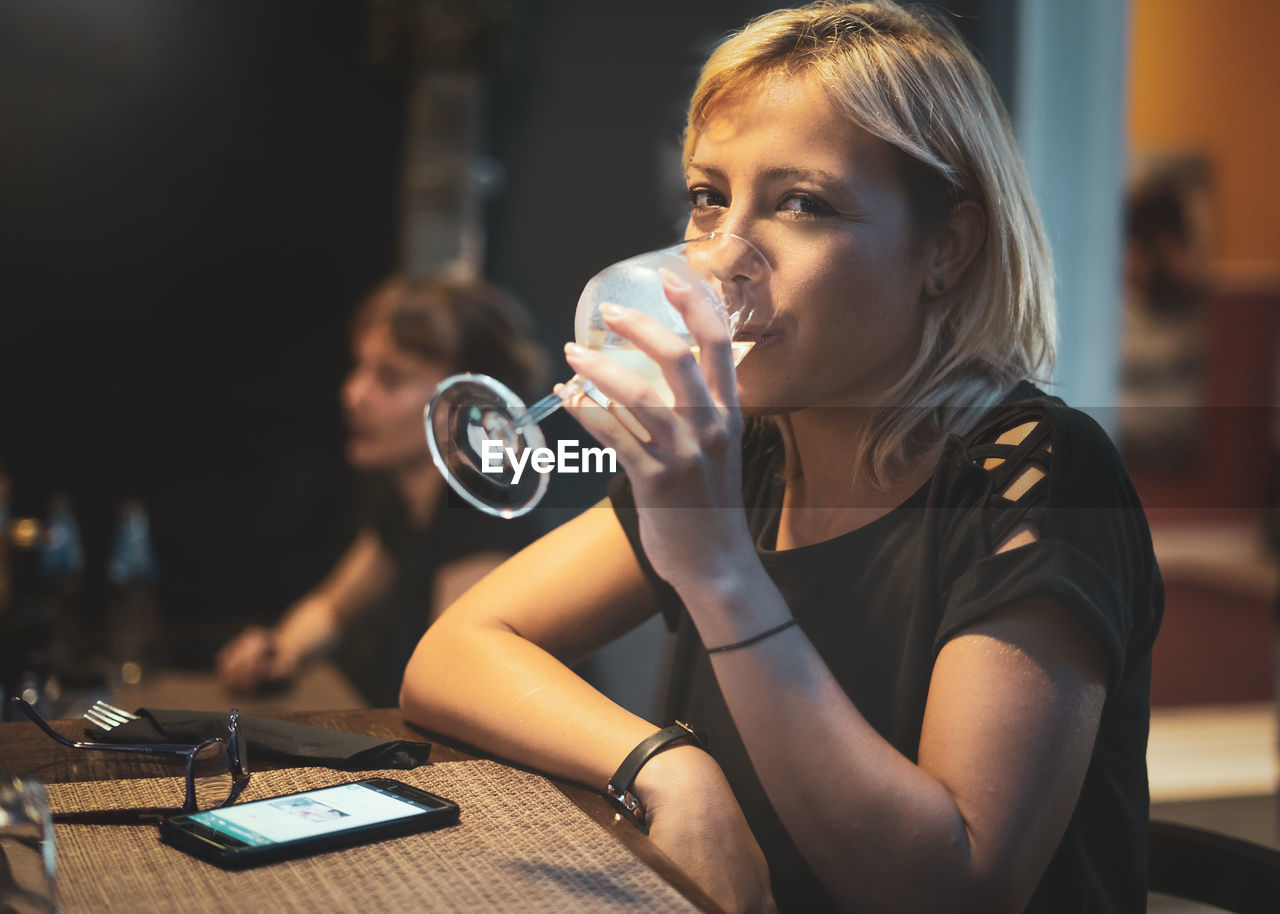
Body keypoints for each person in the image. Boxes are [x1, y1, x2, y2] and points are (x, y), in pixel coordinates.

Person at [399, 3, 1162, 912]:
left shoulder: (1040, 476)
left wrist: (717, 565)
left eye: (803, 204)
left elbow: (956, 889)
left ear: (946, 250)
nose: (721, 262)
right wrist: (666, 764)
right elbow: (452, 654)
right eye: (709, 196)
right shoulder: (755, 452)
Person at [217, 274, 546, 707]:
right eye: (360, 368)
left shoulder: (479, 509)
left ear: (472, 402)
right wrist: (278, 650)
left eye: (389, 379)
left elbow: (460, 684)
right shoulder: (407, 502)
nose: (353, 394)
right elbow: (332, 608)